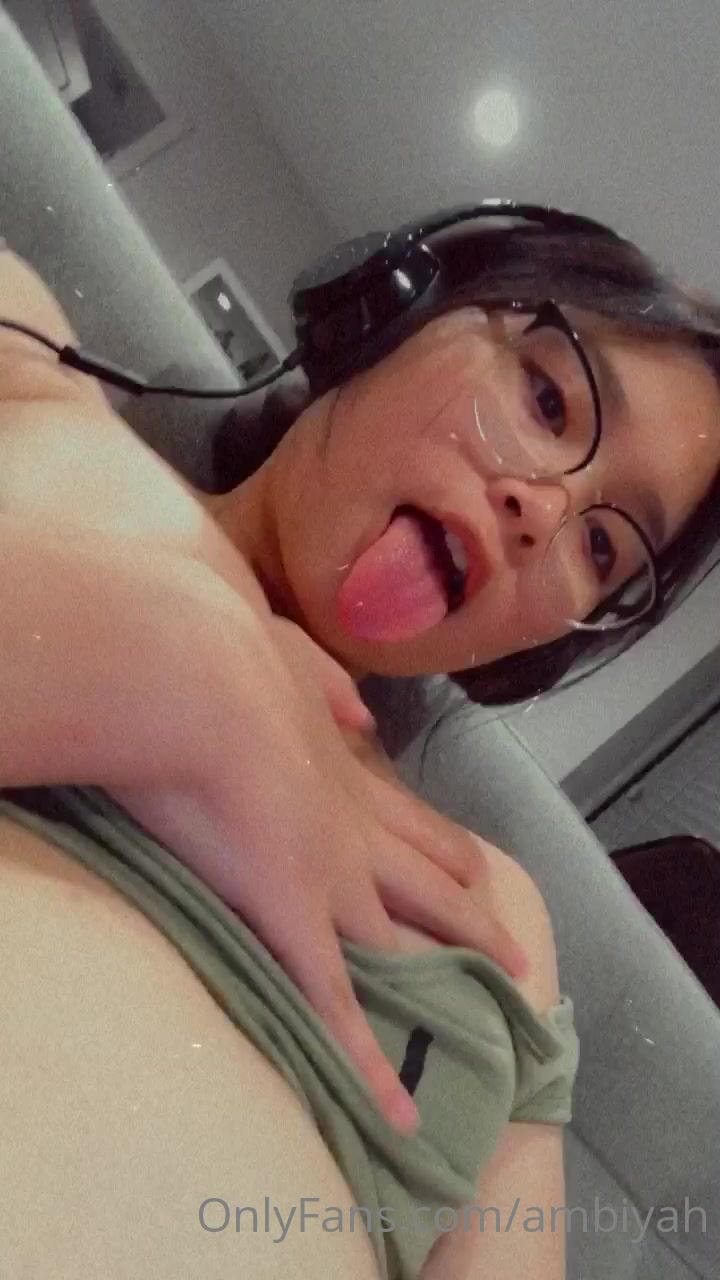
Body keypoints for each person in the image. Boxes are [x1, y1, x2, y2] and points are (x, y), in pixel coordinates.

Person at [1, 205, 720, 1279]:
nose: (547, 510)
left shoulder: (503, 920)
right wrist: (170, 662)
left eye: (607, 546)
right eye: (548, 399)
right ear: (395, 304)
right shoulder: (26, 375)